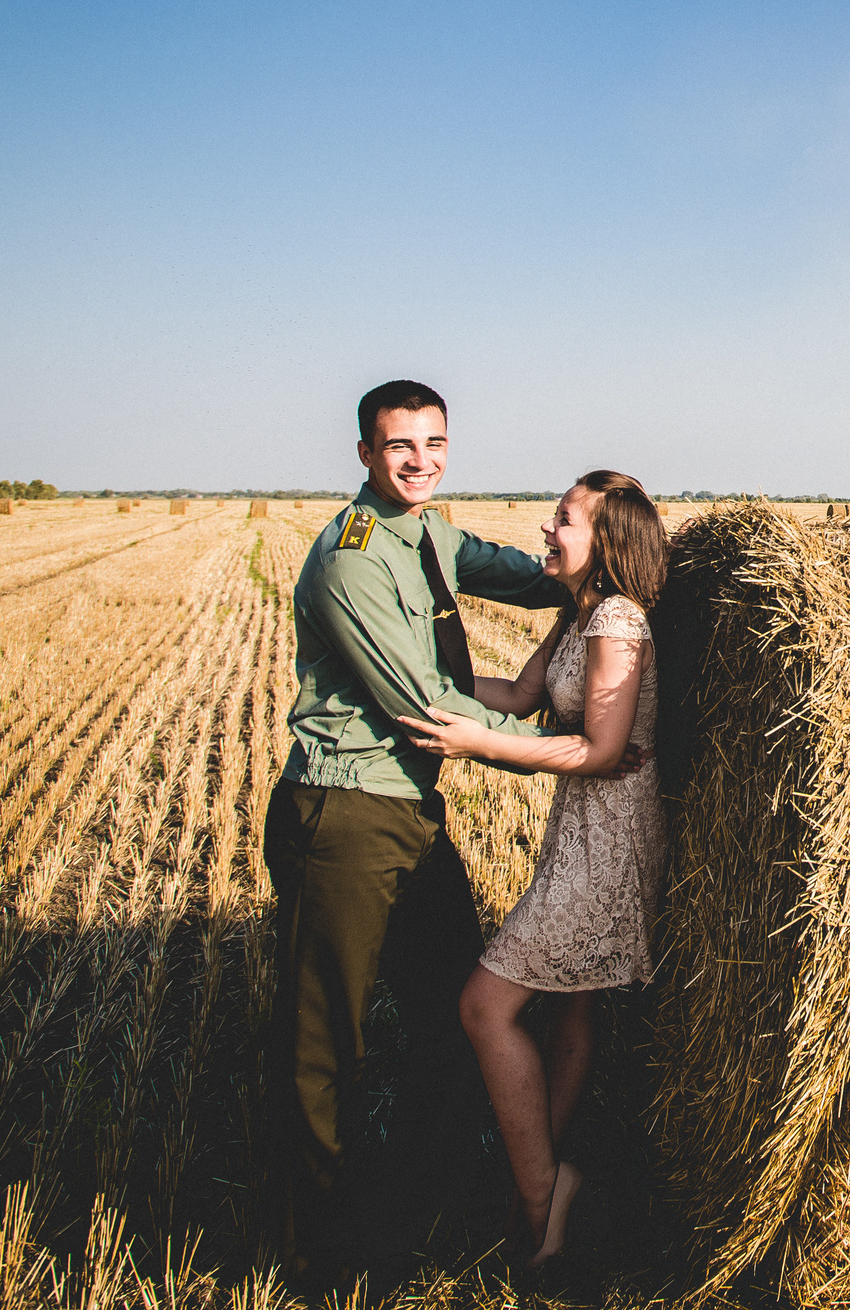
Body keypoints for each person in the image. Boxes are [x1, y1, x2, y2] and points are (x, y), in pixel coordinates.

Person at [266, 380, 574, 1289]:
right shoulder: (353, 559)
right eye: (400, 445)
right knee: (326, 1044)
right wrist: (574, 750)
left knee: (457, 1013)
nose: (420, 460)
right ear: (365, 452)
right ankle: (323, 1251)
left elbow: (515, 574)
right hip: (346, 814)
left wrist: (602, 579)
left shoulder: (430, 533)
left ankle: (406, 1204)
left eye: (434, 442)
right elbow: (423, 707)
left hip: (406, 815)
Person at [399, 471, 668, 1267]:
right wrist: (418, 688)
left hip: (612, 835)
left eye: (563, 519)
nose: (546, 529)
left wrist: (475, 744)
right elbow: (518, 694)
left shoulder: (617, 618)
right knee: (571, 1004)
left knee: (486, 1004)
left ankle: (543, 1190)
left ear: (606, 540)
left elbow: (603, 749)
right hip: (580, 825)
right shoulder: (580, 612)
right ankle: (540, 1178)